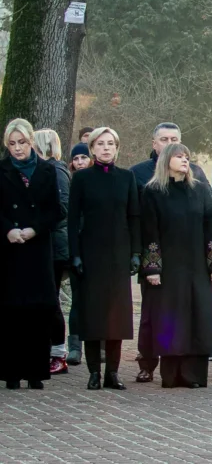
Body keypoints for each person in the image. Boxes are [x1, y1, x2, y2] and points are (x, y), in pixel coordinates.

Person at [138, 143, 212, 388]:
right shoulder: (153, 191)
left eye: (187, 156)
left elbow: (211, 227)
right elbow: (150, 232)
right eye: (179, 156)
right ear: (166, 160)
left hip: (196, 265)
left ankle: (193, 375)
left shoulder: (200, 190)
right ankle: (172, 374)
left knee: (197, 316)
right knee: (170, 319)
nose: (185, 160)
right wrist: (152, 268)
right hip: (168, 268)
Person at [68, 127, 141, 390]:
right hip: (91, 253)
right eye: (100, 144)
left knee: (116, 316)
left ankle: (112, 372)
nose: (106, 148)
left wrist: (136, 253)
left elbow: (134, 216)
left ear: (117, 148)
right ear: (92, 149)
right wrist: (75, 254)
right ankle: (94, 373)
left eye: (111, 143)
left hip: (119, 253)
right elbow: (72, 219)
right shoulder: (82, 178)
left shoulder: (127, 177)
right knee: (93, 313)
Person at [1, 119, 65, 389]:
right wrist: (8, 230)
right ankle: (12, 372)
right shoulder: (2, 170)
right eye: (12, 144)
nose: (17, 148)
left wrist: (35, 229)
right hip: (10, 249)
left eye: (22, 142)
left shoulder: (47, 170)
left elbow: (56, 209)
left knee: (39, 309)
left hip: (37, 247)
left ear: (31, 142)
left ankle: (36, 371)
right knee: (12, 309)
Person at [32, 129, 72, 376]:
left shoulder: (56, 171)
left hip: (55, 246)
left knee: (52, 299)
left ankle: (58, 352)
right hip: (46, 243)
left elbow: (63, 207)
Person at [64, 141, 91, 366]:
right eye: (76, 159)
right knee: (77, 299)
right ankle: (75, 346)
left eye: (84, 157)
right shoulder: (69, 183)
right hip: (76, 247)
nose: (80, 162)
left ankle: (99, 343)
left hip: (97, 247)